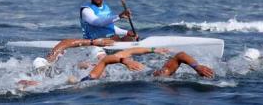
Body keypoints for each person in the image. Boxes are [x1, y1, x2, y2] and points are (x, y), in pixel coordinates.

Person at [78, 47, 214, 82]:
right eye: (99, 55)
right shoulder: (93, 67)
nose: (102, 56)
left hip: (147, 73)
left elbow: (133, 51)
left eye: (102, 54)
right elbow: (79, 65)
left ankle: (198, 68)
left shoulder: (115, 57)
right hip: (146, 75)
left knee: (163, 72)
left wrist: (154, 50)